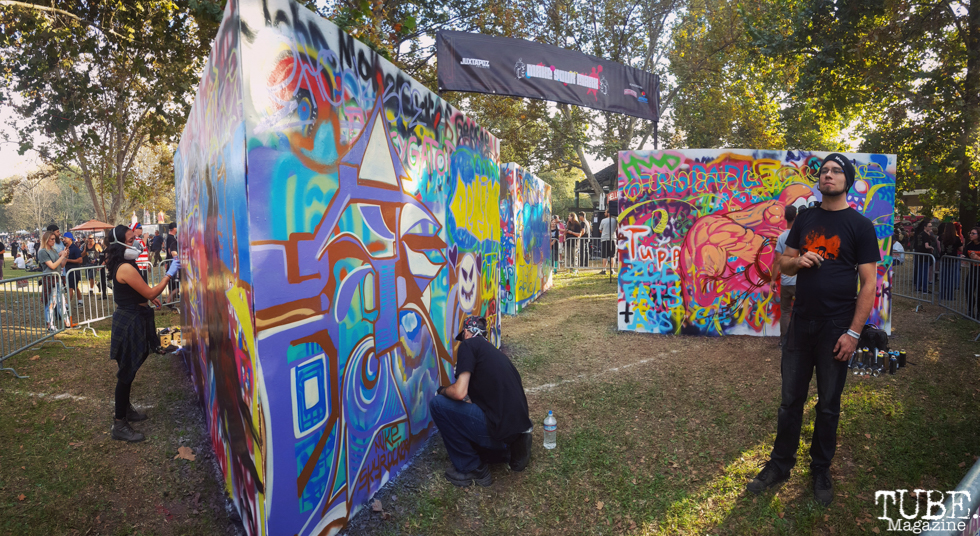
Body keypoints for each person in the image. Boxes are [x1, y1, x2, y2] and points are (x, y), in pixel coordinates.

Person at [747, 154, 880, 507]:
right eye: (824, 171)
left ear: (847, 179)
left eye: (836, 171)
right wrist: (798, 260)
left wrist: (853, 333)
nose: (828, 176)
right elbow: (782, 264)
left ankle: (820, 468)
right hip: (801, 323)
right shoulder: (805, 218)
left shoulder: (860, 225)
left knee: (829, 404)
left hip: (836, 327)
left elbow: (869, 284)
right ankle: (779, 465)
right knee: (790, 401)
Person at [428, 316, 533, 487]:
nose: (463, 341)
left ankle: (472, 468)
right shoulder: (494, 354)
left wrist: (442, 390)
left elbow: (459, 393)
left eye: (463, 336)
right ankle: (508, 450)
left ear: (467, 333)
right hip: (515, 427)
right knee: (470, 413)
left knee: (438, 405)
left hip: (498, 428)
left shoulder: (468, 345)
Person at [104, 224, 181, 442]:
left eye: (134, 239)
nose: (136, 244)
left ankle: (125, 410)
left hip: (135, 315)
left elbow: (140, 293)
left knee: (130, 368)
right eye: (130, 241)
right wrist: (169, 274)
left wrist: (146, 298)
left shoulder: (127, 264)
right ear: (119, 244)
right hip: (129, 320)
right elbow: (150, 291)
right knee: (126, 373)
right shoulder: (125, 267)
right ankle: (119, 424)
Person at [773, 205, 798, 347]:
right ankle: (798, 341)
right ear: (796, 216)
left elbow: (777, 261)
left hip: (785, 282)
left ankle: (784, 341)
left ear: (785, 217)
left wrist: (772, 280)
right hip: (799, 282)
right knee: (800, 312)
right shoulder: (800, 235)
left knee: (785, 312)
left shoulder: (781, 237)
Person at [37, 231, 69, 331]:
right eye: (52, 239)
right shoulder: (43, 251)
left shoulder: (53, 250)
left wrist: (65, 256)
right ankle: (50, 325)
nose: (54, 241)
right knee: (51, 303)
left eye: (54, 239)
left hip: (58, 278)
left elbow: (61, 265)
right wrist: (62, 256)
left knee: (62, 302)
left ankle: (67, 323)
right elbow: (52, 266)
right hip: (50, 279)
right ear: (46, 240)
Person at [939, 223, 962, 301]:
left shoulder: (942, 237)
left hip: (943, 258)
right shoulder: (956, 238)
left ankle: (942, 295)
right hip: (952, 259)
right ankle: (949, 295)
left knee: (943, 277)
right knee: (950, 278)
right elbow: (961, 249)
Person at [912, 220, 936, 293]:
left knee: (919, 271)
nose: (930, 227)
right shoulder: (925, 235)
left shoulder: (920, 234)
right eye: (929, 226)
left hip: (919, 254)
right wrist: (931, 247)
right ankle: (924, 288)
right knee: (925, 272)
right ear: (925, 227)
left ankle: (918, 287)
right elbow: (926, 246)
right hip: (925, 255)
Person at [62, 232, 84, 310]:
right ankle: (80, 302)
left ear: (70, 239)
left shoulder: (75, 248)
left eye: (65, 238)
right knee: (75, 287)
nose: (63, 239)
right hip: (69, 271)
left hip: (74, 271)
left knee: (70, 288)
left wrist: (68, 260)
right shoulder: (66, 248)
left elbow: (80, 260)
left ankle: (66, 306)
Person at [964, 228, 980, 319]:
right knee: (968, 291)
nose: (971, 235)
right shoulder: (969, 245)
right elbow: (966, 255)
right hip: (972, 272)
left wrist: (978, 258)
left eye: (973, 233)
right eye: (970, 233)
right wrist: (963, 257)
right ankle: (970, 312)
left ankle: (979, 313)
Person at [165, 222, 180, 304]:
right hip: (172, 264)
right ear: (174, 229)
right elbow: (171, 252)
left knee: (172, 285)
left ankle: (171, 303)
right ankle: (169, 301)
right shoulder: (171, 239)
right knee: (176, 285)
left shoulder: (169, 237)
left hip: (170, 262)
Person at [598, 209, 616, 275]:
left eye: (605, 212)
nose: (604, 213)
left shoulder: (603, 220)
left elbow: (600, 230)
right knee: (612, 256)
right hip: (612, 239)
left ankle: (604, 269)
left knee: (604, 256)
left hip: (604, 239)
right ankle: (612, 270)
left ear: (608, 213)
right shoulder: (615, 220)